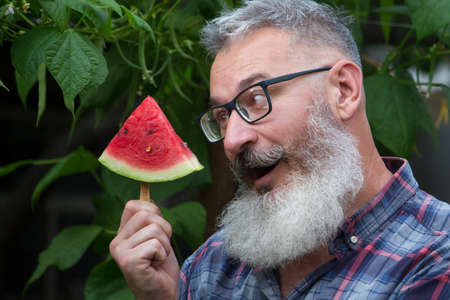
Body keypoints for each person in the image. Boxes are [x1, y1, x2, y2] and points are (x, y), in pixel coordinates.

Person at [109, 0, 450, 299]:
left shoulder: (436, 260)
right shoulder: (210, 264)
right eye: (222, 116)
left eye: (256, 99)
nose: (232, 140)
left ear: (344, 91)